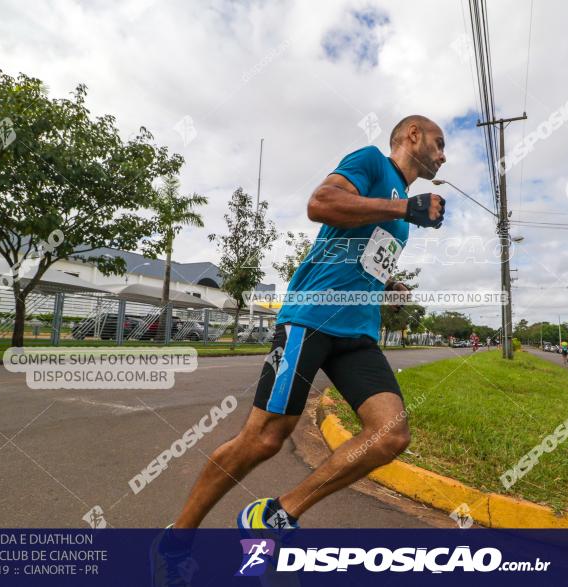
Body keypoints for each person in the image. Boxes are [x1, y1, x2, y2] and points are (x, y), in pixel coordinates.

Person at [151, 115, 447, 586]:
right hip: (310, 320)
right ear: (412, 136)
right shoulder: (370, 162)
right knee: (264, 438)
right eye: (438, 142)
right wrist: (402, 209)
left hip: (358, 332)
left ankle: (276, 515)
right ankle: (177, 541)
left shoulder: (400, 214)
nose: (442, 154)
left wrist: (389, 280)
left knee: (390, 435)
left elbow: (357, 251)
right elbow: (320, 203)